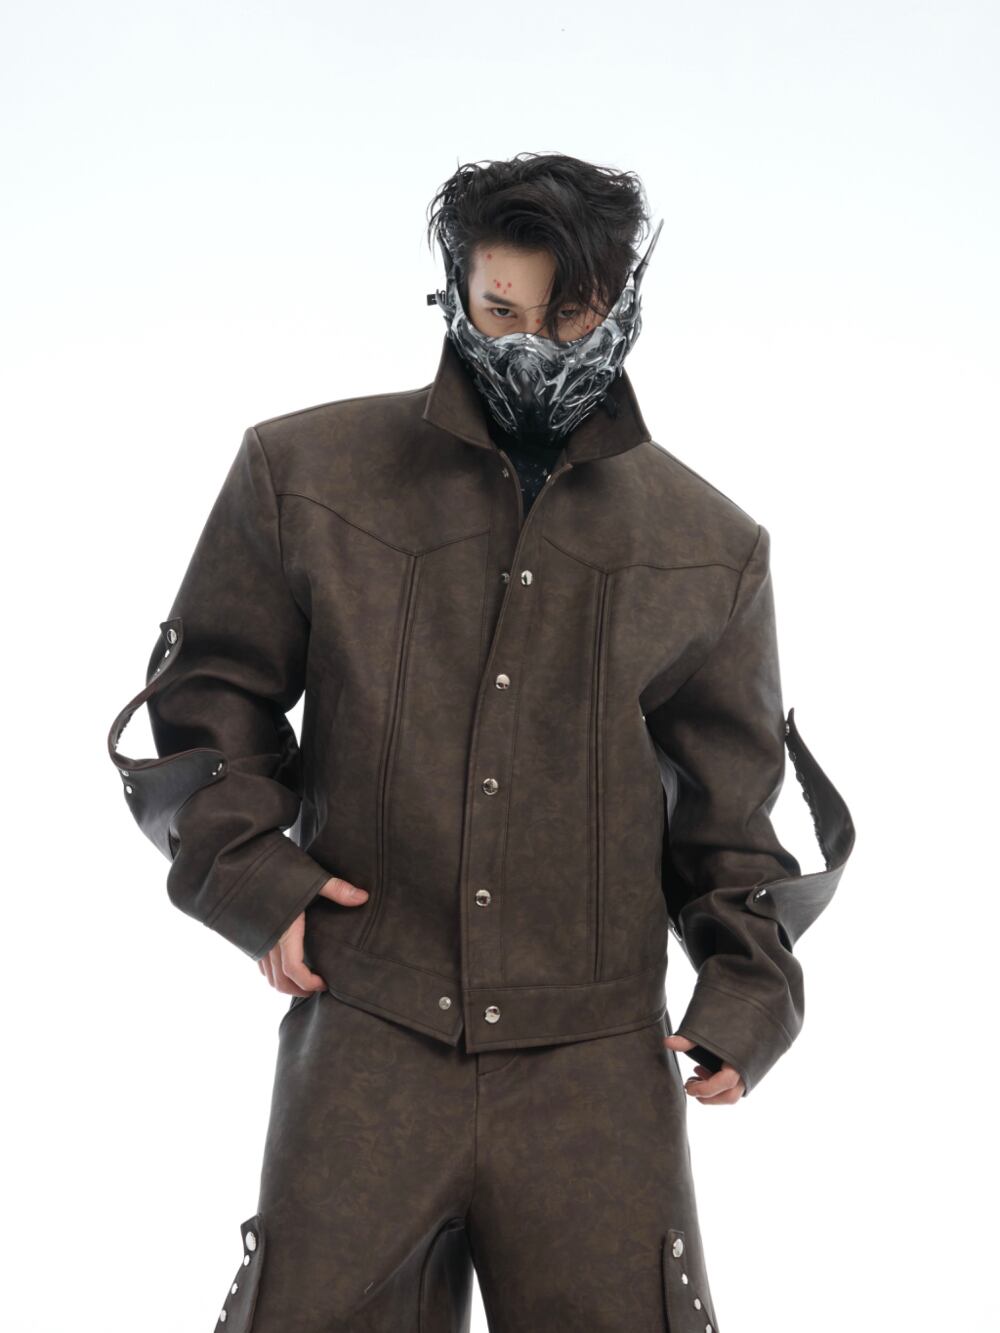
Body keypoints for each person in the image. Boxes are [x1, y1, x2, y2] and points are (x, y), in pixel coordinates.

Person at [107, 151, 854, 1332]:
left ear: (623, 302)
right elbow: (211, 694)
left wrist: (747, 995)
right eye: (500, 311)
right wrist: (254, 876)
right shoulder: (303, 472)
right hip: (367, 1032)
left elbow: (727, 813)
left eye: (570, 316)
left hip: (594, 1072)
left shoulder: (709, 547)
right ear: (454, 291)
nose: (533, 347)